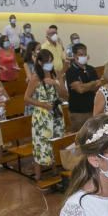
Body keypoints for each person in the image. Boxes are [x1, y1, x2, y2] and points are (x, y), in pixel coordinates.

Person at [25, 50, 68, 181]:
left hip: (56, 113)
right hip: (42, 116)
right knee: (41, 144)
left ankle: (55, 169)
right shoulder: (35, 77)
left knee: (56, 141)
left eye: (51, 60)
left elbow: (64, 95)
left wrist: (57, 81)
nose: (50, 64)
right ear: (39, 62)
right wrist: (43, 105)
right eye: (47, 61)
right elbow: (26, 99)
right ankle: (38, 175)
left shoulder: (54, 74)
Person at [65, 43, 101, 133]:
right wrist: (93, 83)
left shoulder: (91, 69)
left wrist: (85, 86)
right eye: (80, 55)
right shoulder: (71, 71)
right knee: (80, 138)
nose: (83, 56)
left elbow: (98, 86)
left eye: (85, 54)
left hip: (92, 109)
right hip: (78, 112)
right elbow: (80, 90)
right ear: (74, 56)